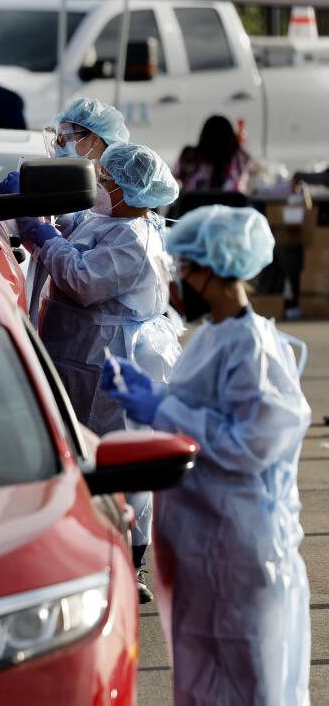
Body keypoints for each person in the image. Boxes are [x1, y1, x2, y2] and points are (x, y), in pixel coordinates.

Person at [101, 205, 310, 706]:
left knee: (250, 679)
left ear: (210, 269)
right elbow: (201, 409)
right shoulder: (216, 336)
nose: (178, 279)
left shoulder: (253, 347)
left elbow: (254, 442)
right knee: (205, 677)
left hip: (242, 546)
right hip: (208, 537)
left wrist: (163, 407)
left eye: (185, 268)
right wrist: (154, 394)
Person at [23, 142, 182, 603]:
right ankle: (87, 550)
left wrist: (43, 237)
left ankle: (129, 562)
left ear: (131, 190)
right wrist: (53, 219)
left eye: (107, 181)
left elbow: (83, 279)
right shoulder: (115, 218)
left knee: (120, 458)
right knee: (82, 451)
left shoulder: (135, 237)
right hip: (82, 353)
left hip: (110, 358)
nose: (100, 187)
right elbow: (84, 230)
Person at [0, 97, 131, 324]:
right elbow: (46, 245)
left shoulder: (114, 198)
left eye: (64, 138)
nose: (57, 145)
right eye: (56, 138)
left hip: (93, 337)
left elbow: (79, 263)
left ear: (94, 139)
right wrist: (21, 209)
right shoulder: (73, 186)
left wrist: (36, 221)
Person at [173, 115, 256, 194]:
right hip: (232, 206)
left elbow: (176, 177)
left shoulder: (189, 156)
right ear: (231, 138)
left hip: (193, 206)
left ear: (203, 136)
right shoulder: (239, 158)